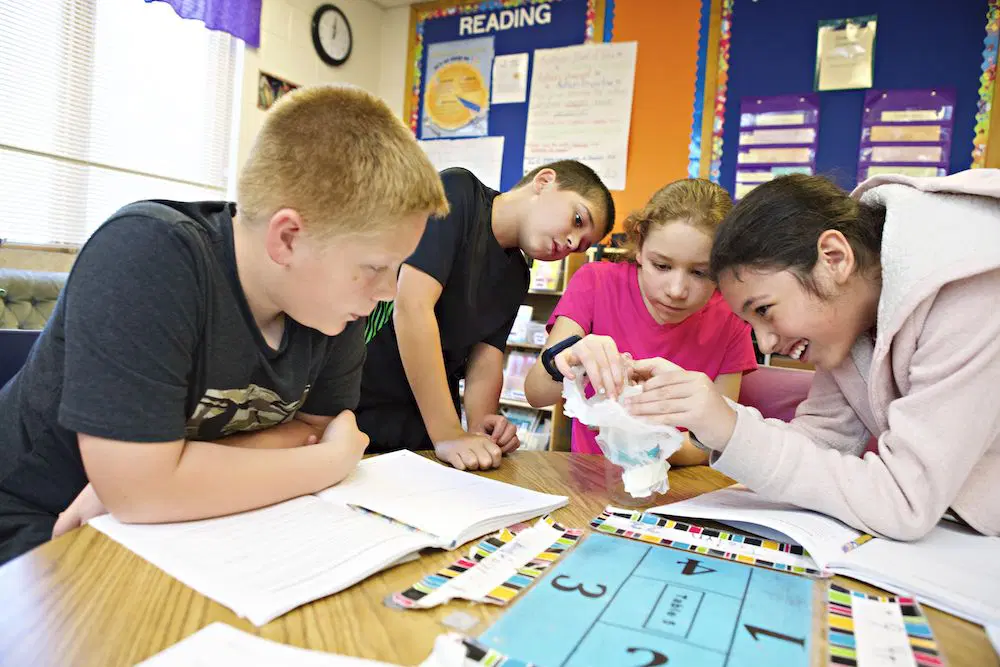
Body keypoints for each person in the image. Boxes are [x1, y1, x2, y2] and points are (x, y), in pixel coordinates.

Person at [0, 85, 449, 565]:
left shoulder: (332, 310)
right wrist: (329, 463)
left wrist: (165, 475)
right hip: (38, 519)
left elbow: (310, 430)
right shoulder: (148, 253)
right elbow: (141, 493)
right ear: (288, 239)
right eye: (376, 266)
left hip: (165, 526)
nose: (387, 291)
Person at [626, 170, 1000, 540]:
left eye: (764, 310)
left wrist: (730, 428)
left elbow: (905, 501)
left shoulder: (972, 290)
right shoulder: (849, 310)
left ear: (834, 258)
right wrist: (717, 420)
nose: (767, 343)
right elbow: (821, 439)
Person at [358, 163, 615, 471]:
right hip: (358, 402)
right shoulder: (459, 191)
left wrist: (483, 424)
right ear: (545, 181)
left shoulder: (517, 277)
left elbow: (486, 358)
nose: (573, 243)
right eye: (577, 219)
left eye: (582, 245)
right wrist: (449, 432)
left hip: (420, 426)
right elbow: (412, 306)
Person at [523, 179, 757, 462]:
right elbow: (537, 395)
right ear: (639, 246)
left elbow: (718, 440)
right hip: (591, 481)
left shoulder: (731, 319)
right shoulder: (595, 283)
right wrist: (570, 358)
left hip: (683, 492)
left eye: (700, 273)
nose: (676, 290)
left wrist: (643, 444)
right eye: (661, 266)